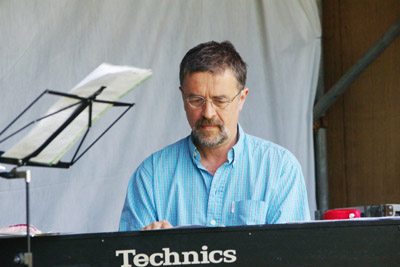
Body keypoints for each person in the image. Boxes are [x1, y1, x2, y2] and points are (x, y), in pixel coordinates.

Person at [119, 41, 310, 231]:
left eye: (220, 100)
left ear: (242, 99)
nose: (208, 112)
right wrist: (151, 249)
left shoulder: (280, 168)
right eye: (196, 100)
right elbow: (127, 258)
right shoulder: (150, 175)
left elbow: (291, 256)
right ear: (182, 97)